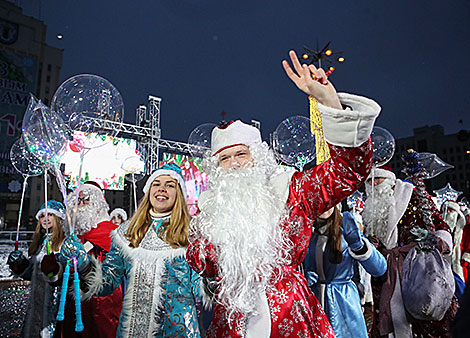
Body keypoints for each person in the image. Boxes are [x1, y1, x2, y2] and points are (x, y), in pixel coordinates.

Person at [186, 50, 381, 337]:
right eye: (224, 159)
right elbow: (199, 258)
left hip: (290, 317)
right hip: (232, 320)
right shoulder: (211, 210)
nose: (234, 164)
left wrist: (330, 103)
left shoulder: (292, 192)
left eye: (241, 154)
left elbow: (347, 171)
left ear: (260, 157)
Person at [60, 163, 203, 338]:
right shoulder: (126, 233)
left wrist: (211, 271)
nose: (162, 189)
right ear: (149, 190)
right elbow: (107, 282)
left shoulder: (193, 233)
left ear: (179, 193)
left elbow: (202, 289)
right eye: (156, 184)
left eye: (170, 185)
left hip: (178, 332)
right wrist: (83, 264)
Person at [362, 163, 456, 338]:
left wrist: (430, 237)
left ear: (389, 180)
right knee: (389, 322)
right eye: (369, 181)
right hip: (385, 275)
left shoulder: (411, 194)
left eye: (378, 179)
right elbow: (372, 240)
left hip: (417, 270)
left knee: (425, 320)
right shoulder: (369, 208)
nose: (374, 185)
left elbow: (441, 226)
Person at [303, 205, 387, 338]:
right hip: (312, 302)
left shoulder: (347, 231)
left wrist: (358, 246)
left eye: (329, 201)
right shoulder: (304, 232)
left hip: (343, 303)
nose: (324, 206)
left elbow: (379, 268)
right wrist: (302, 278)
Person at [56, 182, 122, 338]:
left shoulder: (112, 233)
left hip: (101, 304)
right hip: (72, 305)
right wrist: (53, 270)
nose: (81, 205)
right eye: (77, 202)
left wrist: (85, 264)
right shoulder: (74, 237)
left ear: (97, 204)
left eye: (86, 200)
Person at [7, 200, 66, 337]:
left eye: (50, 214)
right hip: (36, 304)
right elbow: (32, 273)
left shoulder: (66, 241)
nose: (45, 219)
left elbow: (65, 275)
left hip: (55, 305)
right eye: (42, 216)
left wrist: (53, 270)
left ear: (58, 217)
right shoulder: (41, 241)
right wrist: (19, 265)